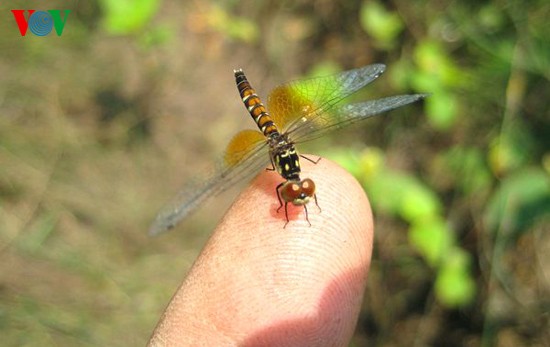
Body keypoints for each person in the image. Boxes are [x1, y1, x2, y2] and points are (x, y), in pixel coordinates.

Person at [149, 156, 374, 346]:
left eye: (305, 191)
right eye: (297, 193)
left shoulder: (297, 178)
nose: (302, 196)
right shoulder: (282, 185)